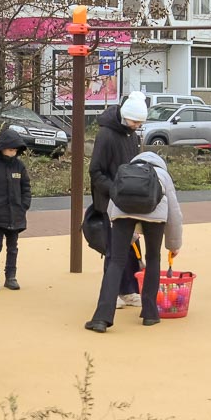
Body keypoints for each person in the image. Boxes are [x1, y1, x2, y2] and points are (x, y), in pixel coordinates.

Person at [85, 150, 183, 333]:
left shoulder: (125, 172)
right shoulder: (163, 175)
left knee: (116, 262)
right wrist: (173, 244)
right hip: (156, 215)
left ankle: (101, 318)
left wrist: (128, 235)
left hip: (122, 213)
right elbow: (174, 213)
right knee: (153, 258)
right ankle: (150, 314)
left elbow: (113, 203)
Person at [89, 91, 148, 308]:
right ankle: (111, 292)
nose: (136, 126)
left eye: (140, 123)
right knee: (114, 250)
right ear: (125, 116)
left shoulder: (132, 135)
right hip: (110, 201)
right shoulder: (105, 135)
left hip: (130, 198)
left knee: (133, 246)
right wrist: (114, 189)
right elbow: (95, 171)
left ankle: (129, 290)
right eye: (134, 121)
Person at [0, 129, 31, 291]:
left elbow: (26, 187)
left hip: (16, 214)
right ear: (2, 148)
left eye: (15, 150)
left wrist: (24, 205)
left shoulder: (19, 166)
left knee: (13, 247)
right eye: (10, 149)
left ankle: (11, 276)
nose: (13, 153)